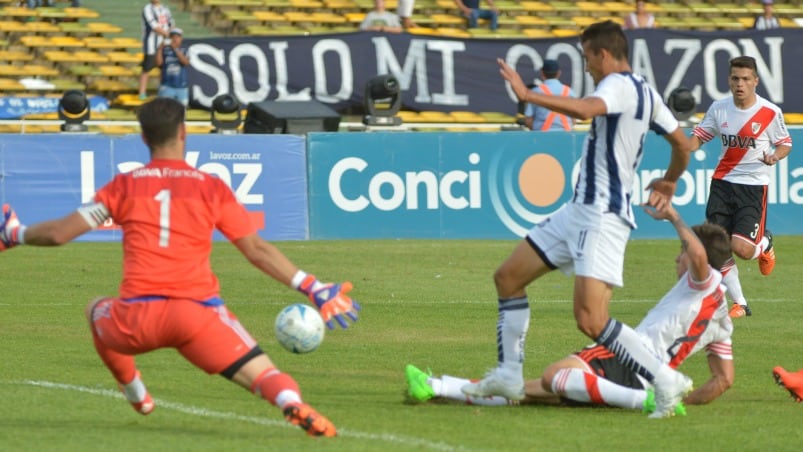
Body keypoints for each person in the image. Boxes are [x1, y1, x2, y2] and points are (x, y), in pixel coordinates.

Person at [0, 97, 362, 437]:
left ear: (143, 137)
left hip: (136, 318)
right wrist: (312, 286)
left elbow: (61, 233)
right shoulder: (210, 187)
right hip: (197, 316)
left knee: (95, 308)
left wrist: (15, 232)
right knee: (263, 373)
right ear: (184, 132)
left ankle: (136, 393)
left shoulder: (124, 186)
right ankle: (291, 402)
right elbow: (256, 249)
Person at [464, 20, 696, 419]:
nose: (586, 66)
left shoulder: (618, 85)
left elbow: (587, 109)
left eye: (587, 57)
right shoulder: (648, 93)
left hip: (601, 215)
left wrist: (526, 94)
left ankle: (663, 377)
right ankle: (507, 373)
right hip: (579, 210)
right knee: (508, 278)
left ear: (603, 54)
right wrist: (671, 180)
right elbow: (682, 143)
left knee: (591, 320)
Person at [406, 202, 734, 413]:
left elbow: (699, 257)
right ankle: (437, 387)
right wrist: (686, 401)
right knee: (531, 390)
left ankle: (642, 402)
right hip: (648, 378)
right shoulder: (722, 319)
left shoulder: (701, 283)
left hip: (632, 358)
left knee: (554, 376)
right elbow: (723, 380)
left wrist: (675, 217)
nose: (677, 259)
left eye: (682, 252)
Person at [690, 55, 792, 318]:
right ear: (729, 80)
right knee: (716, 246)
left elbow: (785, 143)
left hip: (753, 186)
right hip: (722, 184)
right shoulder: (719, 108)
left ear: (756, 81)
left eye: (746, 79)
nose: (740, 83)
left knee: (743, 249)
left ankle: (765, 244)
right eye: (735, 78)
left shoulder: (769, 112)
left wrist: (775, 156)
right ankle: (740, 303)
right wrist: (681, 146)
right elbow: (699, 137)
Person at [523, 59, 576, 132]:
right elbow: (574, 120)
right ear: (559, 73)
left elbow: (528, 120)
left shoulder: (535, 92)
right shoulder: (569, 92)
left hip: (542, 137)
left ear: (542, 73)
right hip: (566, 136)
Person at [139, 0, 174, 100]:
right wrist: (167, 33)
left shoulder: (165, 8)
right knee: (146, 68)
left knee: (163, 69)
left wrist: (170, 32)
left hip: (165, 44)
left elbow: (171, 23)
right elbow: (153, 25)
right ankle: (142, 93)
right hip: (151, 45)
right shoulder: (147, 8)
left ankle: (162, 91)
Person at [155, 28, 189, 107]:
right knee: (164, 110)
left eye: (177, 37)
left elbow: (185, 62)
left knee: (181, 110)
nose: (175, 39)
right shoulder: (164, 50)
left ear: (181, 38)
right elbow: (158, 63)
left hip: (181, 87)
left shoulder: (184, 50)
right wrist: (160, 48)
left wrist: (175, 49)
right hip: (166, 86)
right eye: (173, 37)